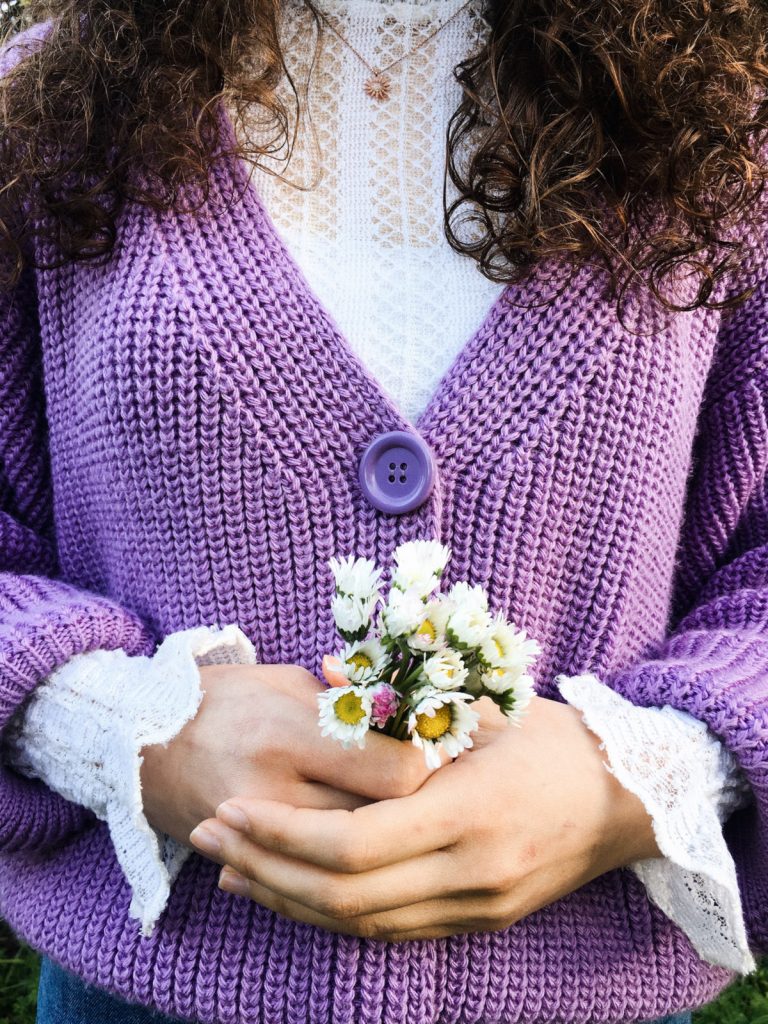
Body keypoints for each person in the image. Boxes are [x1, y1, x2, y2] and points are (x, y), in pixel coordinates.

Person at [0, 1, 766, 1022]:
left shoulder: (720, 127)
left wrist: (627, 781)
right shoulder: (46, 109)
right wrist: (128, 729)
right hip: (151, 990)